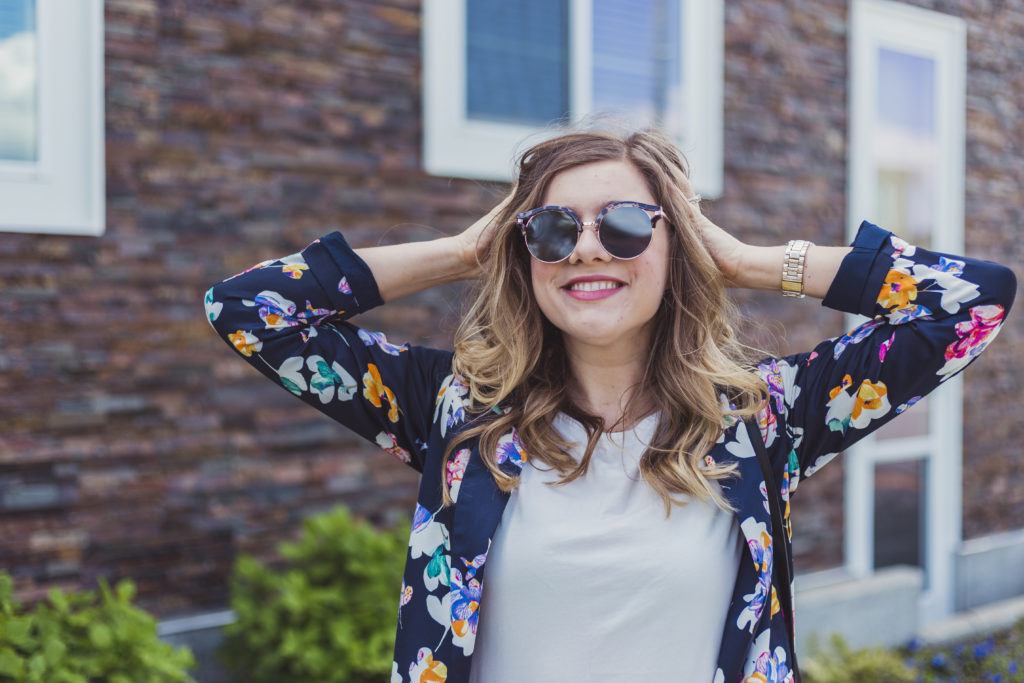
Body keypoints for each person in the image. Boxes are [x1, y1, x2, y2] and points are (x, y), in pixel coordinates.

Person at [205, 128, 1015, 683]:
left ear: (677, 244)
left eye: (628, 224)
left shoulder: (762, 422)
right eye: (553, 229)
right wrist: (466, 250)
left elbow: (971, 303)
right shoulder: (457, 415)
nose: (588, 245)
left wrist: (748, 259)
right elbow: (251, 312)